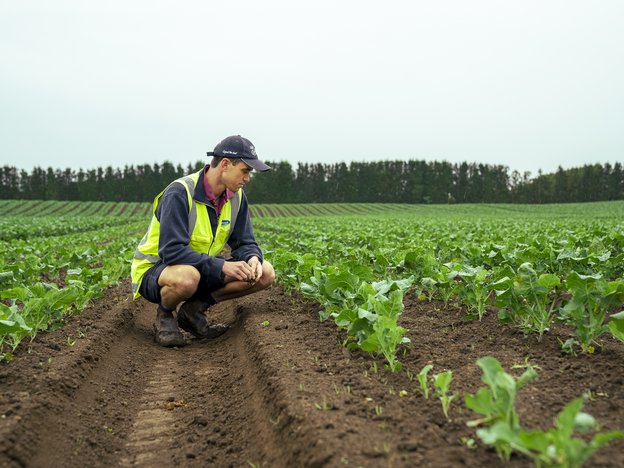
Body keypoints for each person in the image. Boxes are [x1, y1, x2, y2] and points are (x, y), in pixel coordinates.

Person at [130, 135, 276, 347]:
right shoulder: (180, 193)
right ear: (225, 164)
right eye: (245, 170)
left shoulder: (237, 197)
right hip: (158, 269)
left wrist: (253, 257)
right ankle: (165, 314)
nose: (248, 178)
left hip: (200, 267)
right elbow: (172, 252)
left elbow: (245, 242)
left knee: (265, 273)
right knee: (187, 278)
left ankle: (193, 309)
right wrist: (223, 266)